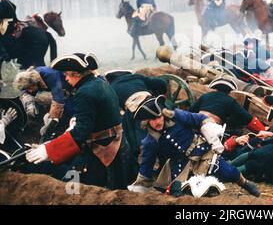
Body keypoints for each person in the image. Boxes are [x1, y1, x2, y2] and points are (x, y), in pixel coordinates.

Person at [25, 53, 131, 189]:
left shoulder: (84, 92)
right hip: (116, 142)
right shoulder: (99, 82)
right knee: (115, 189)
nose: (66, 79)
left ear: (76, 74)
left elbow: (82, 131)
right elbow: (99, 115)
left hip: (103, 147)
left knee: (79, 188)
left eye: (67, 75)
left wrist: (49, 150)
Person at [127, 95, 260, 197]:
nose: (157, 121)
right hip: (180, 167)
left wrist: (208, 128)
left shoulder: (178, 116)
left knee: (229, 172)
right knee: (183, 193)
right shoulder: (149, 142)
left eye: (159, 117)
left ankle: (246, 184)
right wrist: (137, 190)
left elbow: (199, 119)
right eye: (152, 119)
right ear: (146, 122)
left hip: (202, 152)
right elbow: (146, 169)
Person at [105, 69, 167, 179]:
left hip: (135, 111)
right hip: (153, 104)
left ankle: (146, 173)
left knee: (139, 143)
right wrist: (158, 96)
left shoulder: (111, 87)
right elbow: (161, 83)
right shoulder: (137, 77)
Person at [13, 66, 75, 138]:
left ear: (35, 82)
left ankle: (67, 130)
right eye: (27, 89)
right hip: (51, 91)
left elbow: (58, 101)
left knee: (70, 111)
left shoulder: (50, 75)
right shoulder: (27, 80)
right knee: (31, 99)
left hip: (66, 91)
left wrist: (50, 122)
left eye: (30, 88)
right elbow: (26, 94)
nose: (30, 91)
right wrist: (30, 107)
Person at [188, 77, 267, 132]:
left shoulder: (206, 96)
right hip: (212, 127)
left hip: (196, 122)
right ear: (230, 91)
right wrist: (262, 130)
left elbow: (191, 110)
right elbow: (247, 118)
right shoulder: (230, 101)